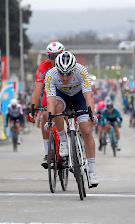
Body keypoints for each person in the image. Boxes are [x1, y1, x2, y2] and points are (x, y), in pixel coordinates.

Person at [44, 51, 99, 186]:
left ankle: (92, 172)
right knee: (56, 109)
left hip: (79, 97)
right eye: (61, 74)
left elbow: (88, 95)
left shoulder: (82, 71)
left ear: (73, 70)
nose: (64, 77)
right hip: (61, 96)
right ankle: (63, 140)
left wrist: (92, 114)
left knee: (86, 131)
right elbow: (50, 100)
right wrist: (50, 119)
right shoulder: (50, 75)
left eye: (68, 73)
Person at [28, 41, 65, 168]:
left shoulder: (69, 62)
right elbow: (36, 91)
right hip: (50, 92)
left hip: (66, 92)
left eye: (57, 56)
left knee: (68, 115)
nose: (54, 59)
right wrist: (32, 110)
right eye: (51, 56)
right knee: (45, 115)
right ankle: (47, 152)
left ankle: (72, 142)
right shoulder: (44, 67)